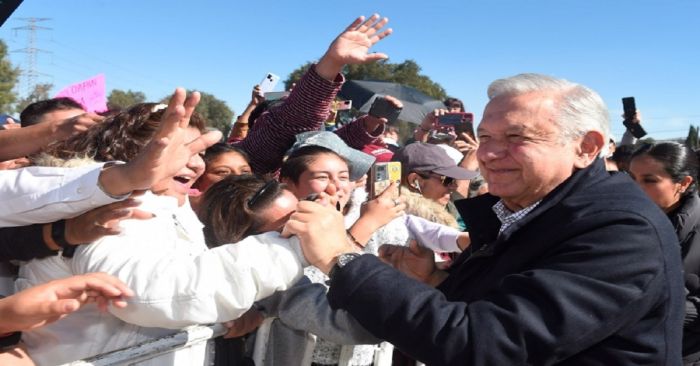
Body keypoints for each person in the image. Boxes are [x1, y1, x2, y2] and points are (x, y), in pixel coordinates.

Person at [284, 73, 684, 365]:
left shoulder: (620, 232)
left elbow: (484, 345)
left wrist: (343, 258)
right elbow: (506, 309)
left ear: (586, 146)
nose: (489, 154)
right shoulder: (533, 208)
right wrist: (437, 282)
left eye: (516, 138)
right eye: (486, 137)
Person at [627, 141, 700, 364]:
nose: (635, 189)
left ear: (683, 183)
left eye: (650, 180)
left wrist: (652, 304)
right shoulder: (620, 223)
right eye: (631, 179)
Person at [189, 142, 252, 213]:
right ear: (198, 178)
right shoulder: (184, 207)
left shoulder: (259, 202)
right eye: (223, 172)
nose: (238, 177)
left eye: (245, 171)